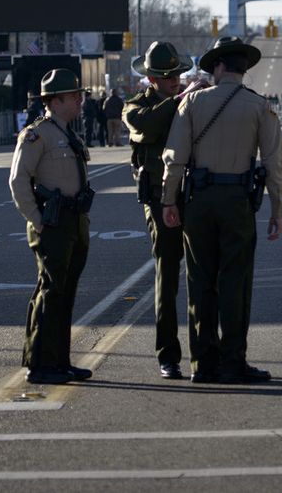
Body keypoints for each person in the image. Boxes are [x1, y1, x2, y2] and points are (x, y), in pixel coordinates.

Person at [162, 36, 282, 385]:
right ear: (243, 68)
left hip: (198, 201)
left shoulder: (193, 103)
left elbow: (174, 159)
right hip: (237, 203)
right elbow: (274, 164)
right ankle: (234, 361)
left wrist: (169, 200)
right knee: (235, 282)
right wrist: (278, 209)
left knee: (200, 281)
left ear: (217, 66)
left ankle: (203, 363)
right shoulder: (259, 106)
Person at [8, 69, 96, 386]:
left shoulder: (68, 133)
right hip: (53, 222)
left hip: (74, 221)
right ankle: (40, 363)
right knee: (50, 292)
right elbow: (18, 181)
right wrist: (37, 219)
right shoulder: (37, 134)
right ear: (55, 101)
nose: (79, 101)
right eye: (74, 96)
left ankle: (60, 360)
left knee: (65, 294)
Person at [124, 40, 196, 380]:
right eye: (166, 77)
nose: (174, 81)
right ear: (151, 79)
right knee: (167, 276)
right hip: (157, 197)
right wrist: (181, 102)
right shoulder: (134, 108)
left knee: (201, 275)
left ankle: (204, 351)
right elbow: (147, 126)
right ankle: (168, 354)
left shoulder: (188, 102)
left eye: (178, 75)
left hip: (192, 195)